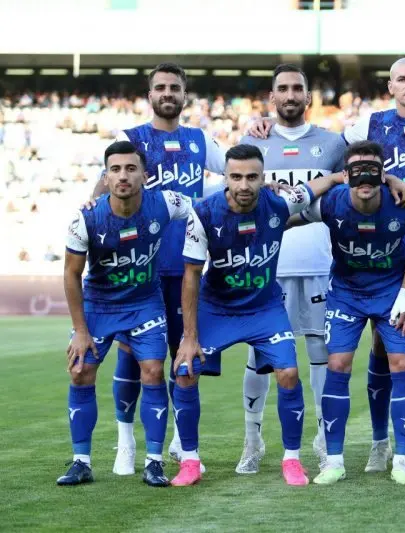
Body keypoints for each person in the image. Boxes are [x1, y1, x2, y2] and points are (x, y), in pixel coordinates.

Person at [250, 57, 405, 472]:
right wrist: (268, 125)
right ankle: (379, 442)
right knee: (380, 346)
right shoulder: (369, 125)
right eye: (401, 79)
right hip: (384, 252)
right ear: (390, 86)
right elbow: (347, 159)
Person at [173, 144, 343, 487]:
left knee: (289, 373)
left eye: (252, 177)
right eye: (236, 177)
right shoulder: (204, 213)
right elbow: (191, 275)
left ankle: (292, 459)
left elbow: (312, 188)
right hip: (217, 308)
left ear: (264, 177)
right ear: (225, 178)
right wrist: (189, 338)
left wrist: (341, 176)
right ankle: (190, 460)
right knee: (185, 372)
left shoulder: (279, 203)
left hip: (264, 308)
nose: (244, 184)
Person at [92, 62, 226, 475]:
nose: (168, 93)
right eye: (161, 87)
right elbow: (103, 186)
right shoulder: (130, 138)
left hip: (187, 267)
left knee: (183, 354)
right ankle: (125, 443)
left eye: (175, 87)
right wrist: (91, 207)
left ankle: (179, 443)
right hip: (141, 269)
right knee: (131, 358)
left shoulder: (200, 140)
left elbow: (238, 172)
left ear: (185, 94)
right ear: (149, 94)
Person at [59, 141, 193, 487]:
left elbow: (203, 209)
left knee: (153, 371)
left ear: (145, 175)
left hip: (145, 304)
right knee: (80, 372)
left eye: (131, 169)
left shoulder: (165, 203)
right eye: (115, 169)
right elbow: (71, 274)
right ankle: (81, 462)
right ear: (105, 177)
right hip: (99, 306)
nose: (123, 176)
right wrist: (80, 330)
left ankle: (154, 462)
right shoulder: (86, 218)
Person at [235, 64, 348, 474]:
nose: (290, 94)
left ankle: (322, 438)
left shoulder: (332, 143)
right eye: (282, 88)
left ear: (308, 96)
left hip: (319, 263)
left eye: (297, 88)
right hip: (267, 266)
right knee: (260, 354)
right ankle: (252, 441)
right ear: (272, 97)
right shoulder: (253, 141)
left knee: (320, 351)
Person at [296, 141, 405, 486]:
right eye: (356, 170)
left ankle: (402, 462)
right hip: (347, 294)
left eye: (372, 169)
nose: (364, 177)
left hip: (391, 294)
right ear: (346, 175)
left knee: (402, 364)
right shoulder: (330, 203)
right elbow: (286, 215)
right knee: (338, 364)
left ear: (384, 174)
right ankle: (334, 462)